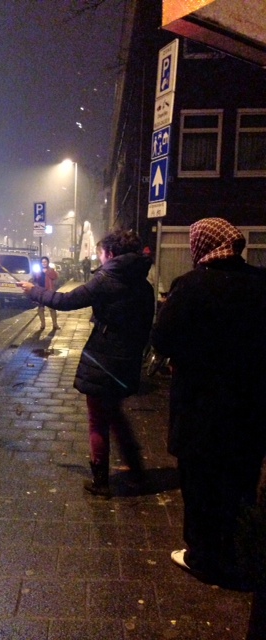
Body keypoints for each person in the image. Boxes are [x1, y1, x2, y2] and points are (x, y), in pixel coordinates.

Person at [151, 217, 266, 590]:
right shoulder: (261, 282)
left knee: (201, 482)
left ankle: (202, 557)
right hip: (250, 405)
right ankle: (238, 551)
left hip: (202, 406)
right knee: (241, 480)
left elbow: (162, 339)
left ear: (200, 246)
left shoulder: (192, 285)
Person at [21, 230, 154, 497]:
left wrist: (34, 291)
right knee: (115, 415)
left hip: (102, 361)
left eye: (101, 253)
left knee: (98, 421)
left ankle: (101, 482)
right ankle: (137, 472)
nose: (99, 258)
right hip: (127, 362)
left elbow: (66, 301)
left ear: (111, 254)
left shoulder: (106, 279)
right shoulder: (145, 285)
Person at [33, 256, 60, 331]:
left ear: (47, 262)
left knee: (52, 308)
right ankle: (42, 324)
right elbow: (35, 279)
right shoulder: (38, 270)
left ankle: (55, 324)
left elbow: (55, 277)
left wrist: (47, 272)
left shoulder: (51, 270)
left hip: (49, 291)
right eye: (42, 262)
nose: (44, 263)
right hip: (40, 292)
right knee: (41, 308)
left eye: (45, 262)